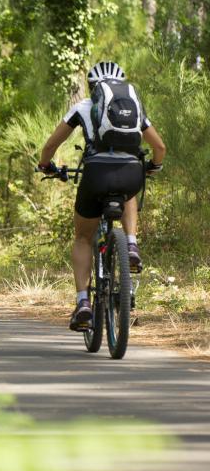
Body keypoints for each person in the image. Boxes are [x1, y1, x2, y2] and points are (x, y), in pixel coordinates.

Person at [37, 61, 166, 331]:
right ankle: (130, 244)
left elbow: (51, 144)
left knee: (83, 237)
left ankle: (83, 302)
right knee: (129, 188)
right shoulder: (135, 107)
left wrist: (46, 165)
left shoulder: (84, 106)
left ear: (93, 87)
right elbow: (159, 146)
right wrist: (152, 166)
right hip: (130, 173)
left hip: (95, 174)